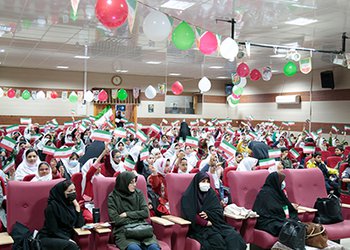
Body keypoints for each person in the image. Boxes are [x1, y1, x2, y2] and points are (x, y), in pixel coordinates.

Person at [181, 172, 246, 250]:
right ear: (197, 182)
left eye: (207, 181)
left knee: (233, 236)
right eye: (203, 181)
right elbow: (190, 214)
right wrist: (204, 222)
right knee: (217, 241)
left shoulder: (211, 193)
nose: (206, 184)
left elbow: (219, 211)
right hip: (199, 227)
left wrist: (208, 214)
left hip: (216, 224)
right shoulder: (188, 196)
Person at [108, 172, 160, 250]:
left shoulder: (138, 193)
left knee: (154, 248)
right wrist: (137, 217)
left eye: (135, 182)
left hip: (143, 230)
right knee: (134, 248)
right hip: (124, 232)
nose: (135, 185)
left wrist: (127, 214)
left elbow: (146, 213)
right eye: (131, 183)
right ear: (124, 183)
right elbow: (116, 220)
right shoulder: (113, 197)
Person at [38, 180, 84, 250]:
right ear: (62, 193)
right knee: (71, 246)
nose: (73, 192)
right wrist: (67, 239)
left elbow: (79, 225)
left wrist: (77, 207)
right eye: (70, 191)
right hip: (50, 237)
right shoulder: (52, 207)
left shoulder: (71, 205)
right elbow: (53, 231)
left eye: (74, 190)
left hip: (65, 237)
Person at [252, 172, 299, 236]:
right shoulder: (265, 193)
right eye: (280, 181)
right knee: (287, 227)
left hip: (277, 217)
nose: (282, 183)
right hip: (266, 221)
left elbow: (283, 203)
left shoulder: (278, 191)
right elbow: (271, 208)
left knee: (296, 223)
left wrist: (291, 206)